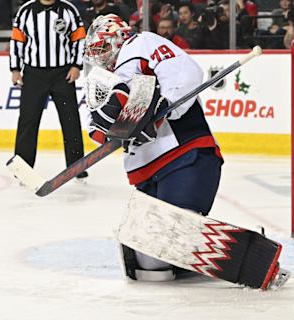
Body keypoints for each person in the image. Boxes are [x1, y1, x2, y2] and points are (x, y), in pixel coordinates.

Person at [84, 14, 223, 280]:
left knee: (160, 252)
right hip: (147, 172)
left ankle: (218, 249)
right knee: (148, 265)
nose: (100, 56)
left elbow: (186, 70)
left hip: (184, 156)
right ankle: (193, 253)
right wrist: (107, 130)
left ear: (118, 37)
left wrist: (163, 104)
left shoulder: (140, 44)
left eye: (103, 47)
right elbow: (94, 124)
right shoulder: (102, 78)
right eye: (95, 51)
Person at [9, 0, 88, 181]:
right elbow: (17, 41)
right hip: (33, 74)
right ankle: (23, 168)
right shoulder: (25, 11)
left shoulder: (69, 10)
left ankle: (76, 166)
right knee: (28, 121)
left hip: (63, 74)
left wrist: (76, 65)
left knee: (70, 119)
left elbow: (79, 39)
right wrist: (15, 69)